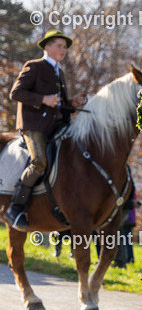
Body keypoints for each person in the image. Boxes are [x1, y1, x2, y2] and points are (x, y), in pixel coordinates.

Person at [6, 29, 86, 230]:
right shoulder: (34, 66)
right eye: (59, 45)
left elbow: (57, 104)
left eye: (65, 47)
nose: (63, 49)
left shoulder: (59, 72)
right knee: (39, 162)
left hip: (56, 126)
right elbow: (16, 93)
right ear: (47, 47)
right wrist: (43, 99)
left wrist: (71, 103)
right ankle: (16, 207)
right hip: (34, 127)